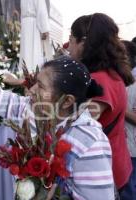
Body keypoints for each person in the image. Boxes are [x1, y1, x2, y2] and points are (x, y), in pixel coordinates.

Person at [0, 54, 115, 199]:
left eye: (41, 87)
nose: (32, 90)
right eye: (35, 82)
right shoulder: (31, 110)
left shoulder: (90, 142)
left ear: (67, 101)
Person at [67, 13, 135, 195]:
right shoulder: (109, 73)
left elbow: (77, 127)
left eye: (71, 39)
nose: (68, 46)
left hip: (105, 172)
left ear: (84, 43)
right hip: (117, 164)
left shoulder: (100, 81)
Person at [122, 40, 136, 200]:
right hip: (125, 148)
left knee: (129, 190)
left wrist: (121, 110)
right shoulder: (123, 83)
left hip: (132, 150)